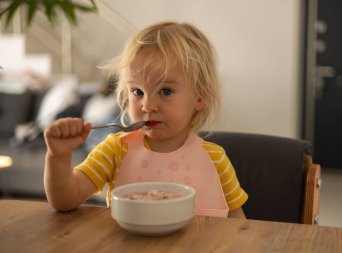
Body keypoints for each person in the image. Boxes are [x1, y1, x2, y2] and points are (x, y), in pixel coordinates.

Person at [43, 21, 248, 218]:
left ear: (200, 97)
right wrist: (58, 157)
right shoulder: (115, 151)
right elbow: (65, 201)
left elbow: (238, 225)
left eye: (165, 91)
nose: (147, 106)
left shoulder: (215, 159)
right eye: (137, 91)